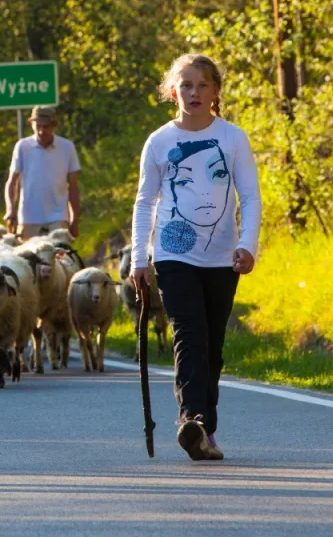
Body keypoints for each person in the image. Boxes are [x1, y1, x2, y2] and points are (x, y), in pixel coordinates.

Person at [130, 53, 261, 462]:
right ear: (173, 92)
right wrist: (138, 258)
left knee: (213, 343)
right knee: (189, 334)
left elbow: (250, 197)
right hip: (173, 253)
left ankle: (206, 431)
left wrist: (247, 245)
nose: (194, 93)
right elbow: (145, 201)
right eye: (186, 85)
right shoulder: (159, 141)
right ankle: (193, 419)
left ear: (216, 91)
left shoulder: (233, 138)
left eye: (203, 85)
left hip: (223, 256)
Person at [4, 105, 81, 238]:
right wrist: (10, 210)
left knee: (61, 250)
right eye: (38, 126)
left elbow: (73, 186)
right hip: (29, 218)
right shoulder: (23, 146)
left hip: (58, 217)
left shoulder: (67, 147)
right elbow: (12, 181)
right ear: (31, 124)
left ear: (53, 126)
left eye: (46, 126)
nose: (41, 131)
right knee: (28, 251)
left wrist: (74, 219)